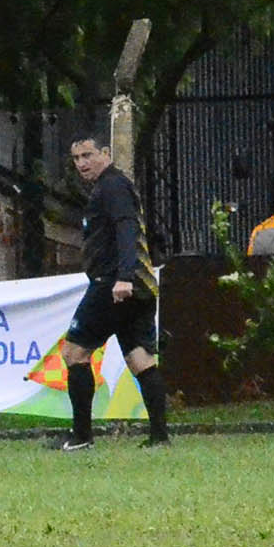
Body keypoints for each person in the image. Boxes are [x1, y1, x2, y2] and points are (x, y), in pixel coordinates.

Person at [49, 136, 168, 451]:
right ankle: (159, 437)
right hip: (139, 286)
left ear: (106, 154)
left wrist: (123, 278)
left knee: (74, 353)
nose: (81, 163)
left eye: (88, 155)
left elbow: (126, 228)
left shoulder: (112, 186)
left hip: (114, 284)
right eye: (76, 158)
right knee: (140, 358)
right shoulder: (110, 186)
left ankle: (81, 437)